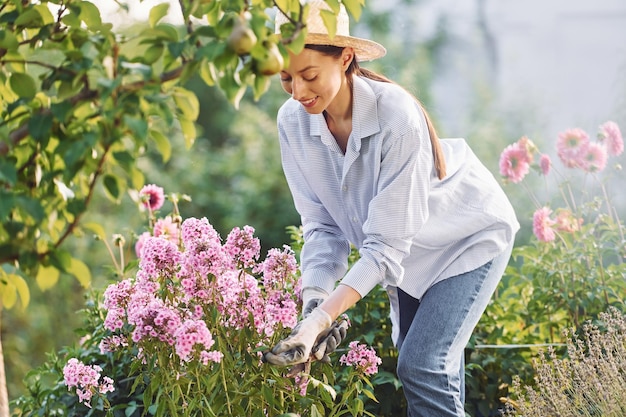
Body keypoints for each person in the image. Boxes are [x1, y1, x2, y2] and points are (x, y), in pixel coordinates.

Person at [263, 1, 520, 416]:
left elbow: (384, 246)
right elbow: (322, 228)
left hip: (465, 237)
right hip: (407, 254)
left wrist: (322, 321)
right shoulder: (292, 122)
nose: (298, 92)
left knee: (422, 365)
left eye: (309, 76)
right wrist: (314, 305)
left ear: (346, 58)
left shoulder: (396, 114)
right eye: (286, 78)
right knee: (426, 367)